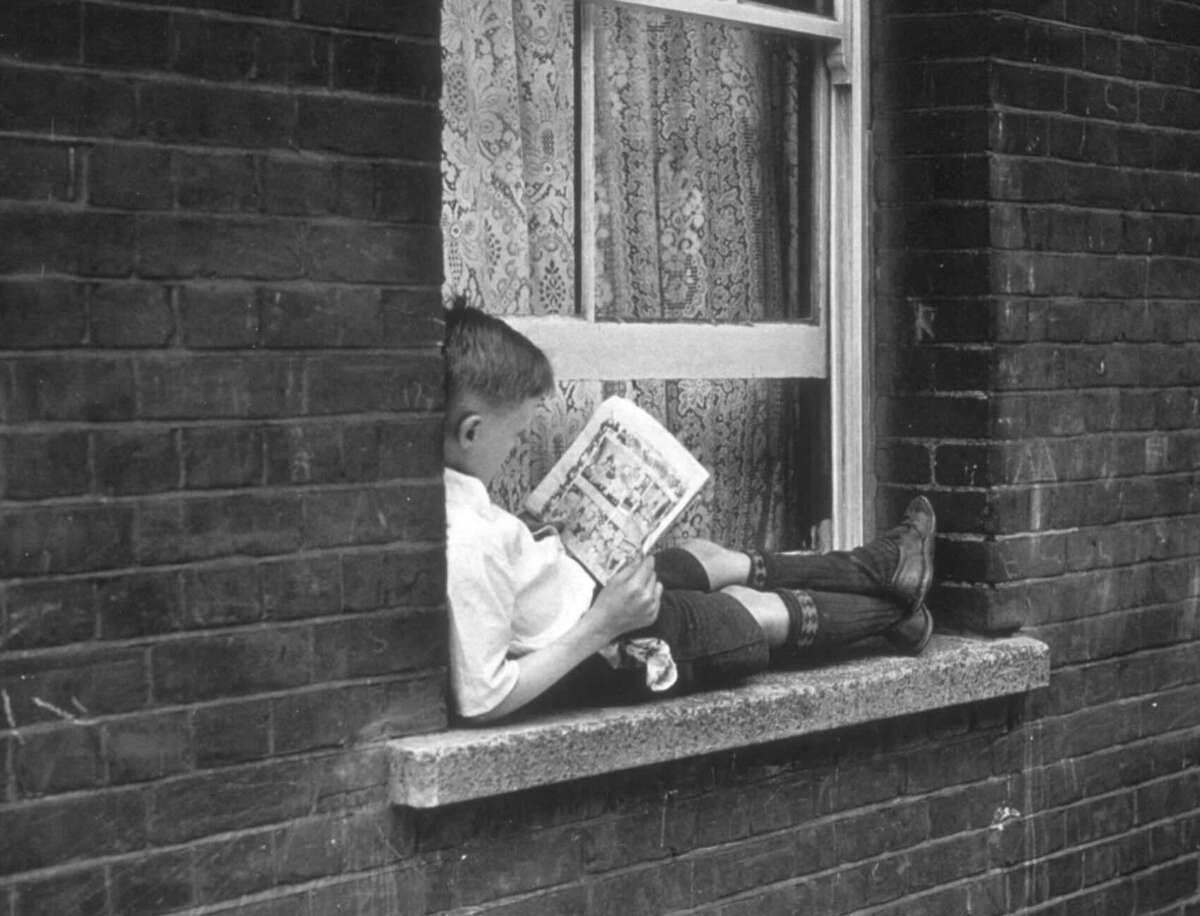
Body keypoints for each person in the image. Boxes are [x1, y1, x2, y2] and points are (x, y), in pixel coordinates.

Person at [443, 302, 936, 723]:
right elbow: (484, 699)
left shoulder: (450, 495)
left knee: (705, 557)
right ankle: (897, 605)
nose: (520, 444)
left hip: (586, 595)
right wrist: (604, 624)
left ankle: (881, 570)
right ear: (471, 432)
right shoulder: (466, 542)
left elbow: (508, 584)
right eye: (517, 435)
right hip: (609, 644)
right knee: (751, 607)